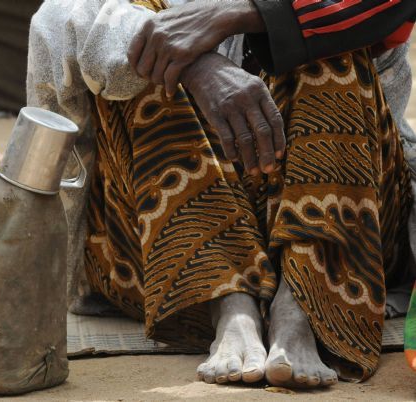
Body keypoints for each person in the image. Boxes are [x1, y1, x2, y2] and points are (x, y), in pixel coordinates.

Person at [28, 0, 416, 388]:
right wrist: (195, 64)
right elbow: (57, 18)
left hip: (343, 244)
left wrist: (252, 14)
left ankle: (302, 304)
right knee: (148, 40)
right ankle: (230, 304)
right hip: (162, 253)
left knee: (327, 32)